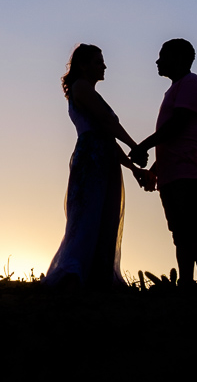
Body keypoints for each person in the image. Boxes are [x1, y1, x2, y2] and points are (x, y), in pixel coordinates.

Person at [46, 44, 145, 289]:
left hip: (104, 157)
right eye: (98, 61)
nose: (104, 66)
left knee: (105, 217)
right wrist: (135, 145)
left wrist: (133, 168)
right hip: (92, 159)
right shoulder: (80, 88)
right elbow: (105, 122)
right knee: (87, 216)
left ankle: (96, 276)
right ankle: (73, 274)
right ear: (83, 64)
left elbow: (107, 136)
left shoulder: (87, 90)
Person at [129, 38, 197, 285]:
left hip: (190, 170)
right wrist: (156, 170)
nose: (157, 61)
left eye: (162, 56)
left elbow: (176, 126)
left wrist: (143, 146)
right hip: (173, 172)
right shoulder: (177, 88)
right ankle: (186, 281)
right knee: (179, 230)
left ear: (177, 58)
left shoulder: (191, 84)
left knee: (195, 225)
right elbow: (172, 139)